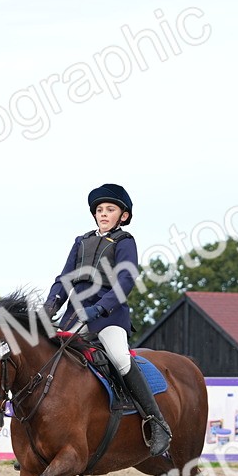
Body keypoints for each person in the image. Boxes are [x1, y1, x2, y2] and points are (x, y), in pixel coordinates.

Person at [43, 183, 171, 456]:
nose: (103, 213)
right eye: (99, 209)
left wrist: (101, 308)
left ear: (123, 216)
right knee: (49, 357)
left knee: (120, 358)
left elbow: (126, 279)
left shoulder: (125, 242)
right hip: (76, 315)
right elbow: (64, 279)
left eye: (110, 209)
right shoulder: (81, 241)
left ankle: (156, 422)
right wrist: (50, 305)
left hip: (109, 316)